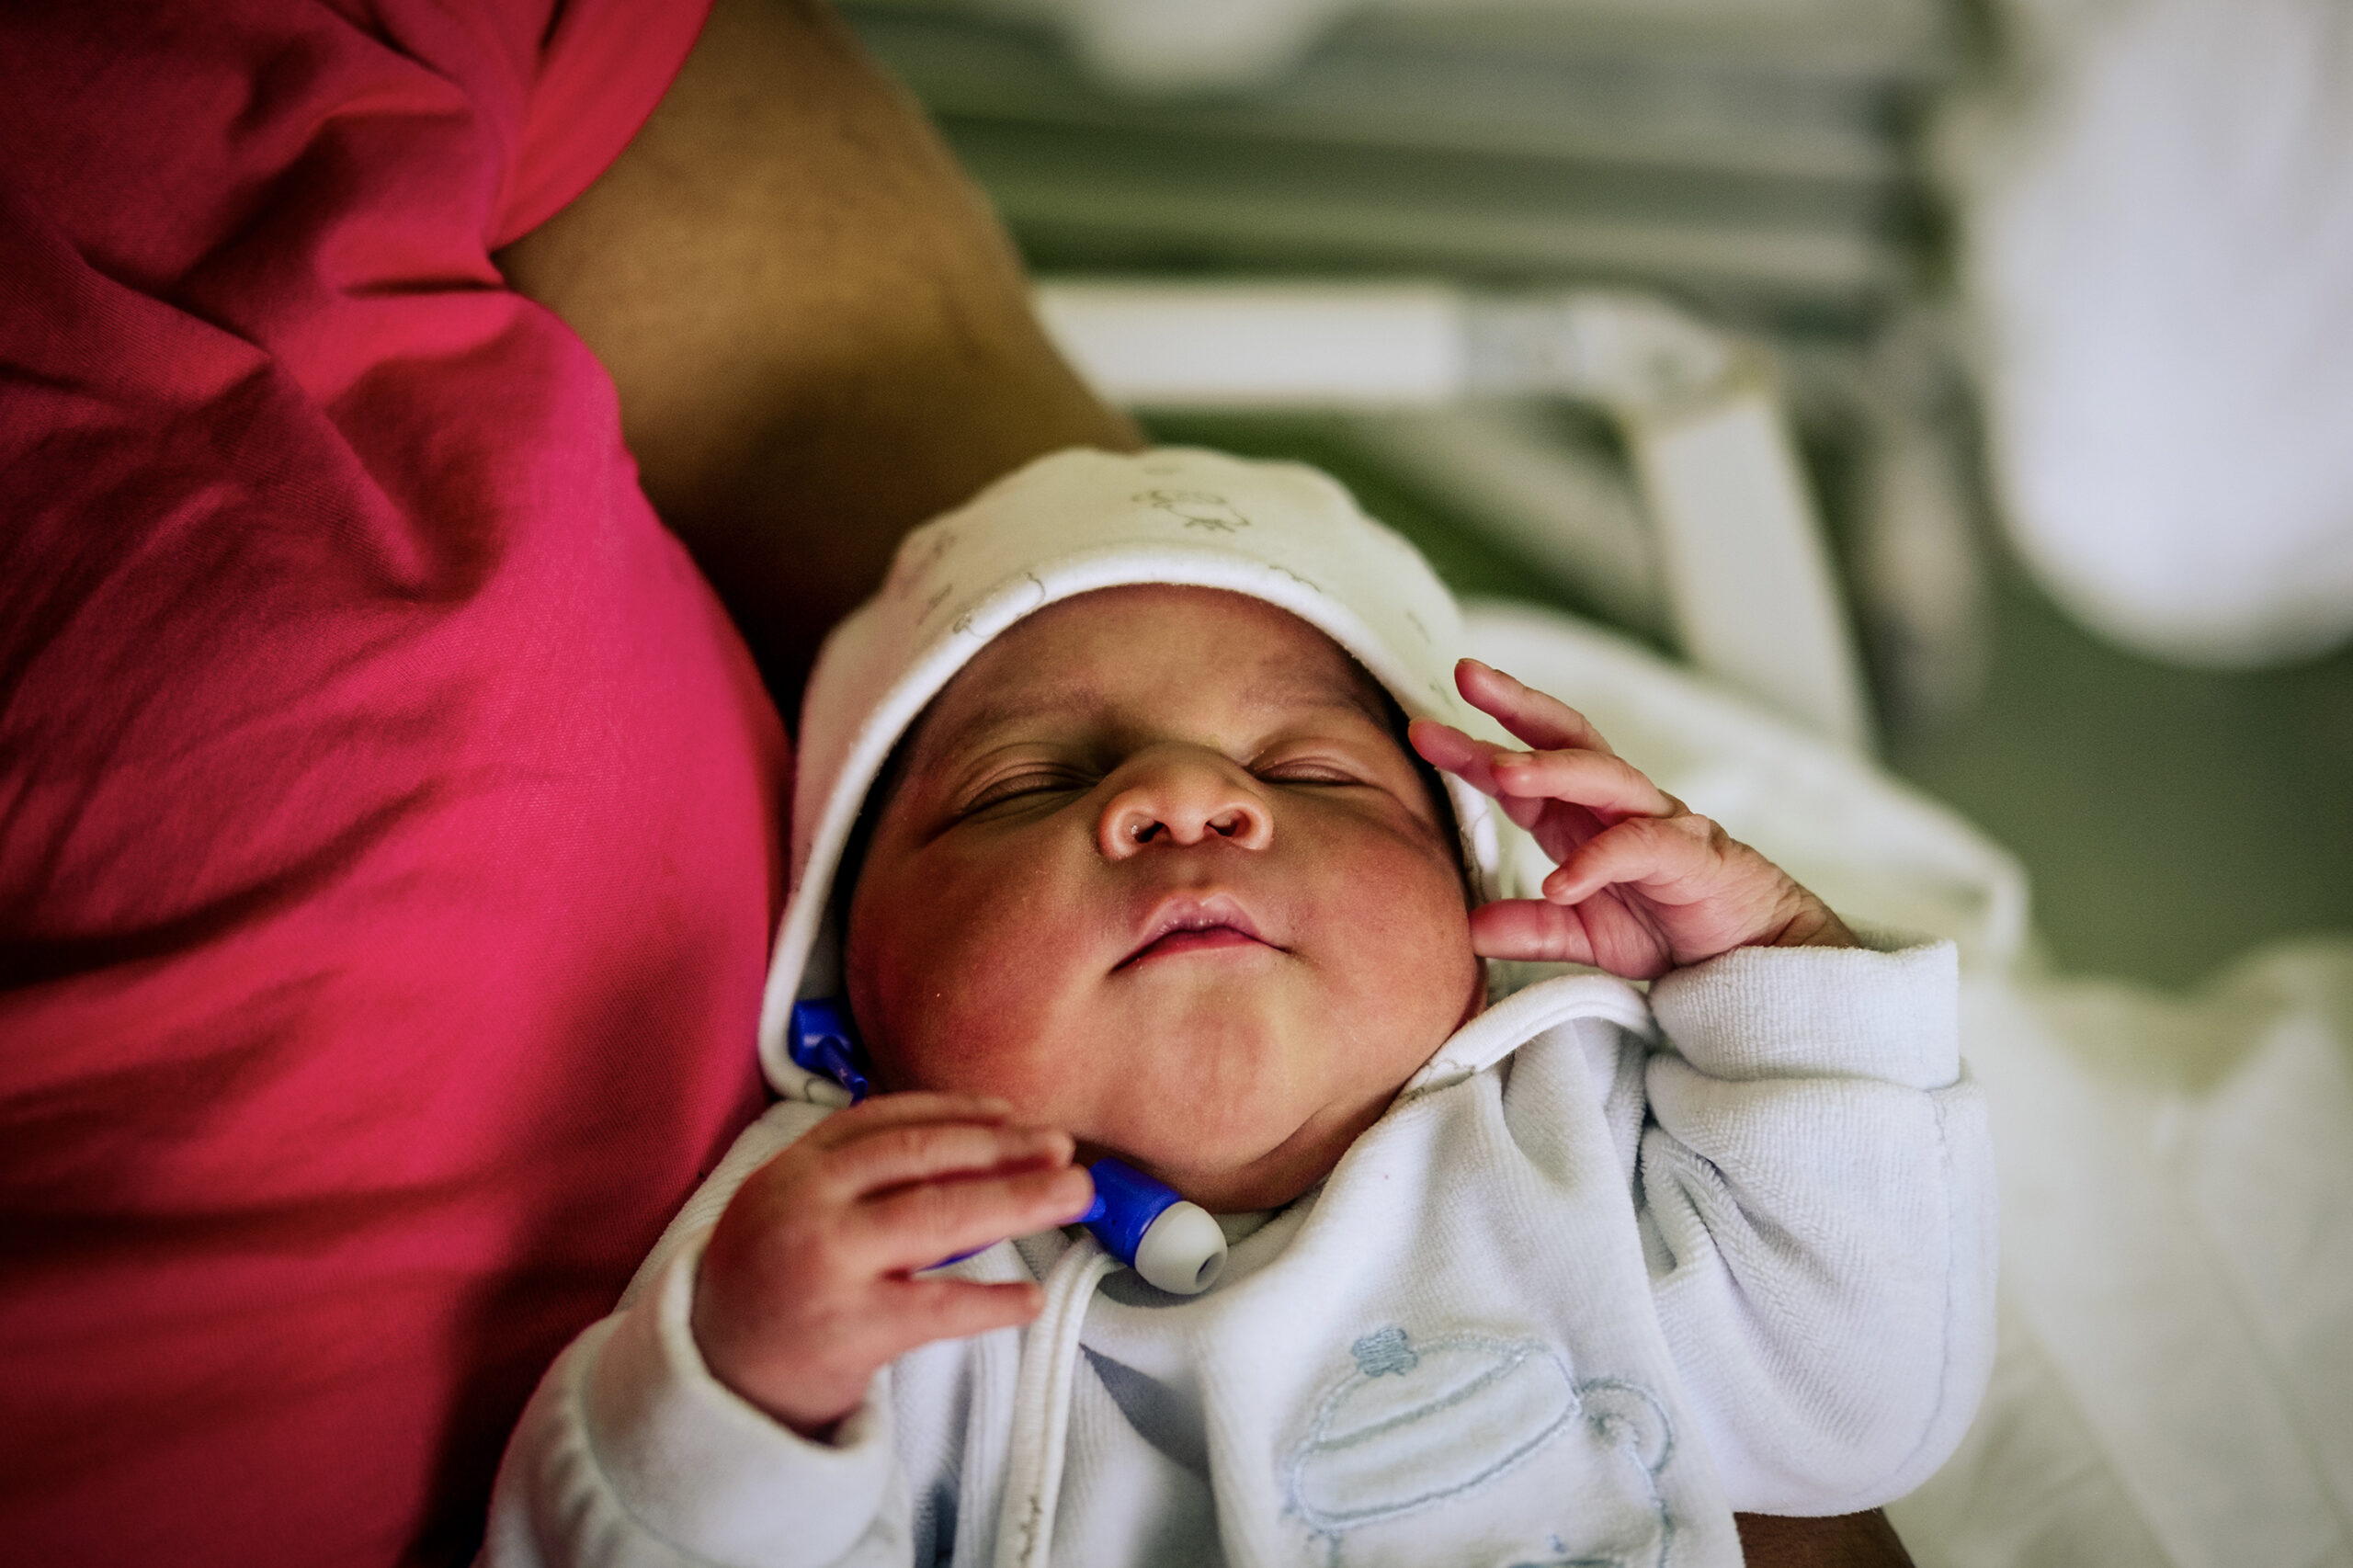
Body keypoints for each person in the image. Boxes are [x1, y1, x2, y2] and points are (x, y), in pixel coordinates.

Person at [483, 449, 1995, 1566]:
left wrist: (1780, 970)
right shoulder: (860, 1254)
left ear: (1473, 906)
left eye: (1309, 771)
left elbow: (1853, 1410)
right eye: (1025, 784)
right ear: (845, 977)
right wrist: (742, 1409)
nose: (1186, 795)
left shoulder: (1568, 1128)